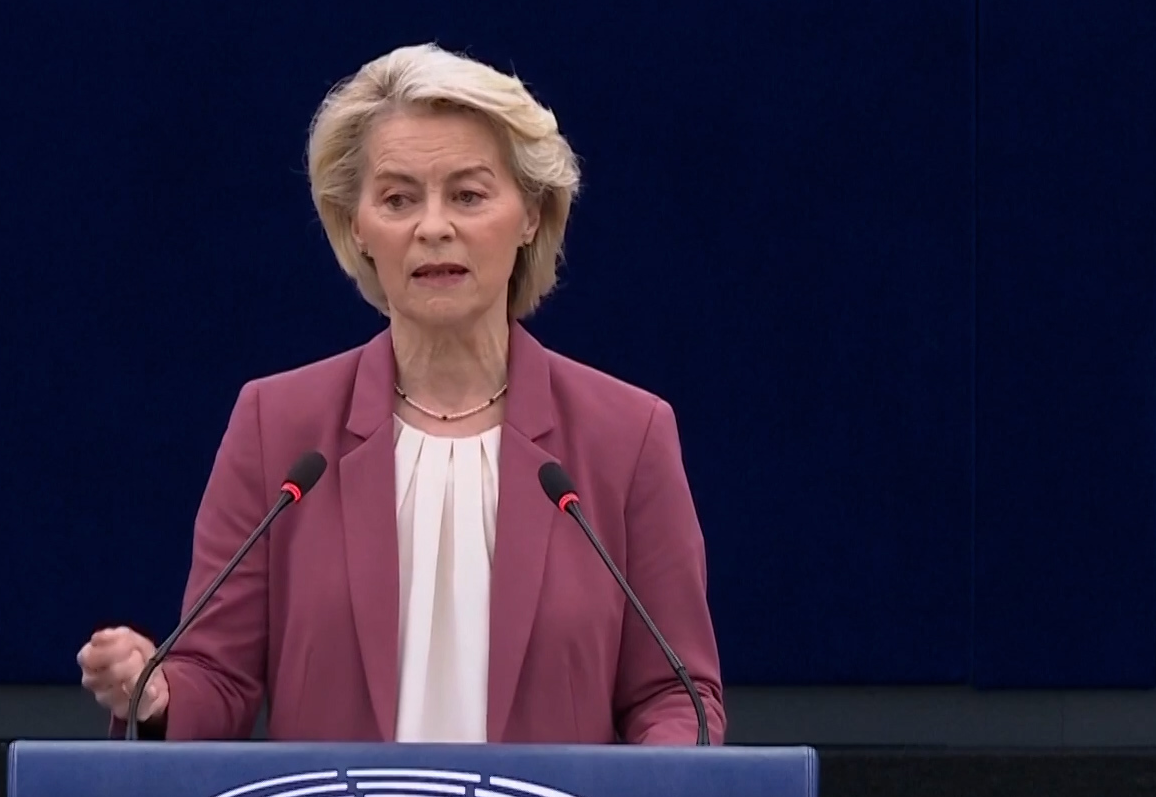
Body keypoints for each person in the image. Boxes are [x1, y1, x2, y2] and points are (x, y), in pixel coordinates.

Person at [78, 43, 724, 745]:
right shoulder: (278, 427)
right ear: (357, 226)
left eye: (468, 195)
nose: (433, 226)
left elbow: (674, 695)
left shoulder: (626, 435)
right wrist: (158, 693)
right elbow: (219, 676)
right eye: (398, 199)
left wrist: (665, 779)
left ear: (531, 215)